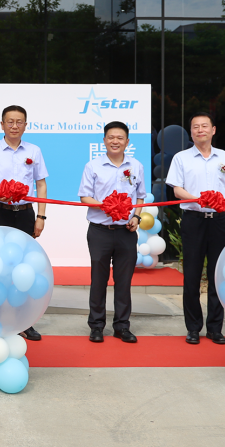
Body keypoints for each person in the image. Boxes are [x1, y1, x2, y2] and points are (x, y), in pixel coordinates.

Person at [166, 112, 225, 346]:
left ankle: (215, 328)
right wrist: (200, 200)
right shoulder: (181, 158)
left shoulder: (224, 157)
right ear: (191, 132)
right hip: (193, 220)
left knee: (217, 275)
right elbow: (177, 190)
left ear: (213, 130)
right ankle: (193, 328)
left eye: (204, 126)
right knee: (192, 275)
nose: (200, 130)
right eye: (195, 127)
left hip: (218, 221)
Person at [0, 104, 48, 342]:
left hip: (25, 214)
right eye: (10, 121)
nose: (14, 126)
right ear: (2, 124)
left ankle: (24, 322)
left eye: (19, 122)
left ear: (26, 125)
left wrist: (41, 216)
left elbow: (41, 185)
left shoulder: (34, 151)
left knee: (24, 269)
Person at [78, 121, 145, 344]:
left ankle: (122, 327)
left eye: (120, 138)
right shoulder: (93, 166)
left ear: (127, 142)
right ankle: (96, 326)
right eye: (111, 137)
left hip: (126, 231)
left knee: (123, 282)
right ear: (104, 140)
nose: (115, 141)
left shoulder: (136, 166)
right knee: (98, 280)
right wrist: (106, 206)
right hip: (100, 231)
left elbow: (140, 197)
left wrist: (136, 217)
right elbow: (84, 197)